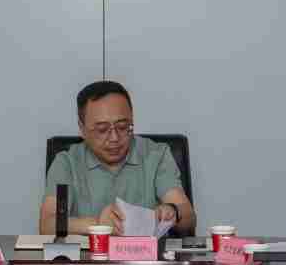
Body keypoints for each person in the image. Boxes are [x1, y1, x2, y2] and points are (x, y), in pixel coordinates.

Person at [41, 80, 193, 237]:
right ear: (82, 129)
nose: (114, 138)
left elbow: (188, 216)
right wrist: (98, 224)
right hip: (89, 253)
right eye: (102, 130)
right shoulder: (66, 164)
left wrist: (173, 211)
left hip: (146, 253)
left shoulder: (156, 155)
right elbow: (48, 224)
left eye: (122, 127)